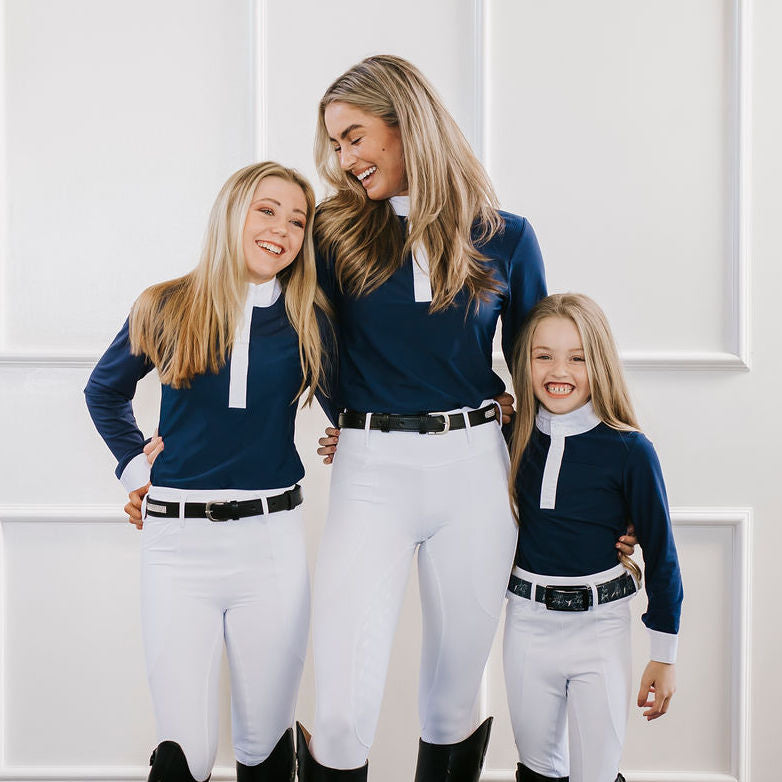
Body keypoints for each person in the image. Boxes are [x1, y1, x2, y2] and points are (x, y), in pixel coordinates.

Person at [299, 54, 549, 782]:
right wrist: (346, 414)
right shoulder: (330, 232)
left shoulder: (507, 236)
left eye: (354, 137)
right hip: (371, 472)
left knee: (452, 702)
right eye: (335, 146)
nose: (343, 161)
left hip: (475, 473)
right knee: (342, 714)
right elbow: (304, 346)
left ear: (404, 123)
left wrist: (595, 491)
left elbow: (542, 374)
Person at [84, 162, 333, 782]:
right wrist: (134, 471)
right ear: (233, 213)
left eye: (298, 220)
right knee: (183, 752)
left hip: (271, 544)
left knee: (264, 746)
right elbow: (103, 392)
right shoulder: (166, 304)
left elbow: (355, 408)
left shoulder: (311, 319)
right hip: (177, 549)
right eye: (267, 210)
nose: (282, 229)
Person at [503, 293, 683, 782]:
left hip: (600, 628)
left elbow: (663, 555)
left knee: (596, 773)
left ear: (599, 361)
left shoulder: (630, 449)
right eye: (544, 356)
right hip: (526, 624)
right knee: (538, 769)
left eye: (577, 357)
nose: (559, 370)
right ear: (526, 361)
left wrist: (663, 656)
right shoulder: (507, 434)